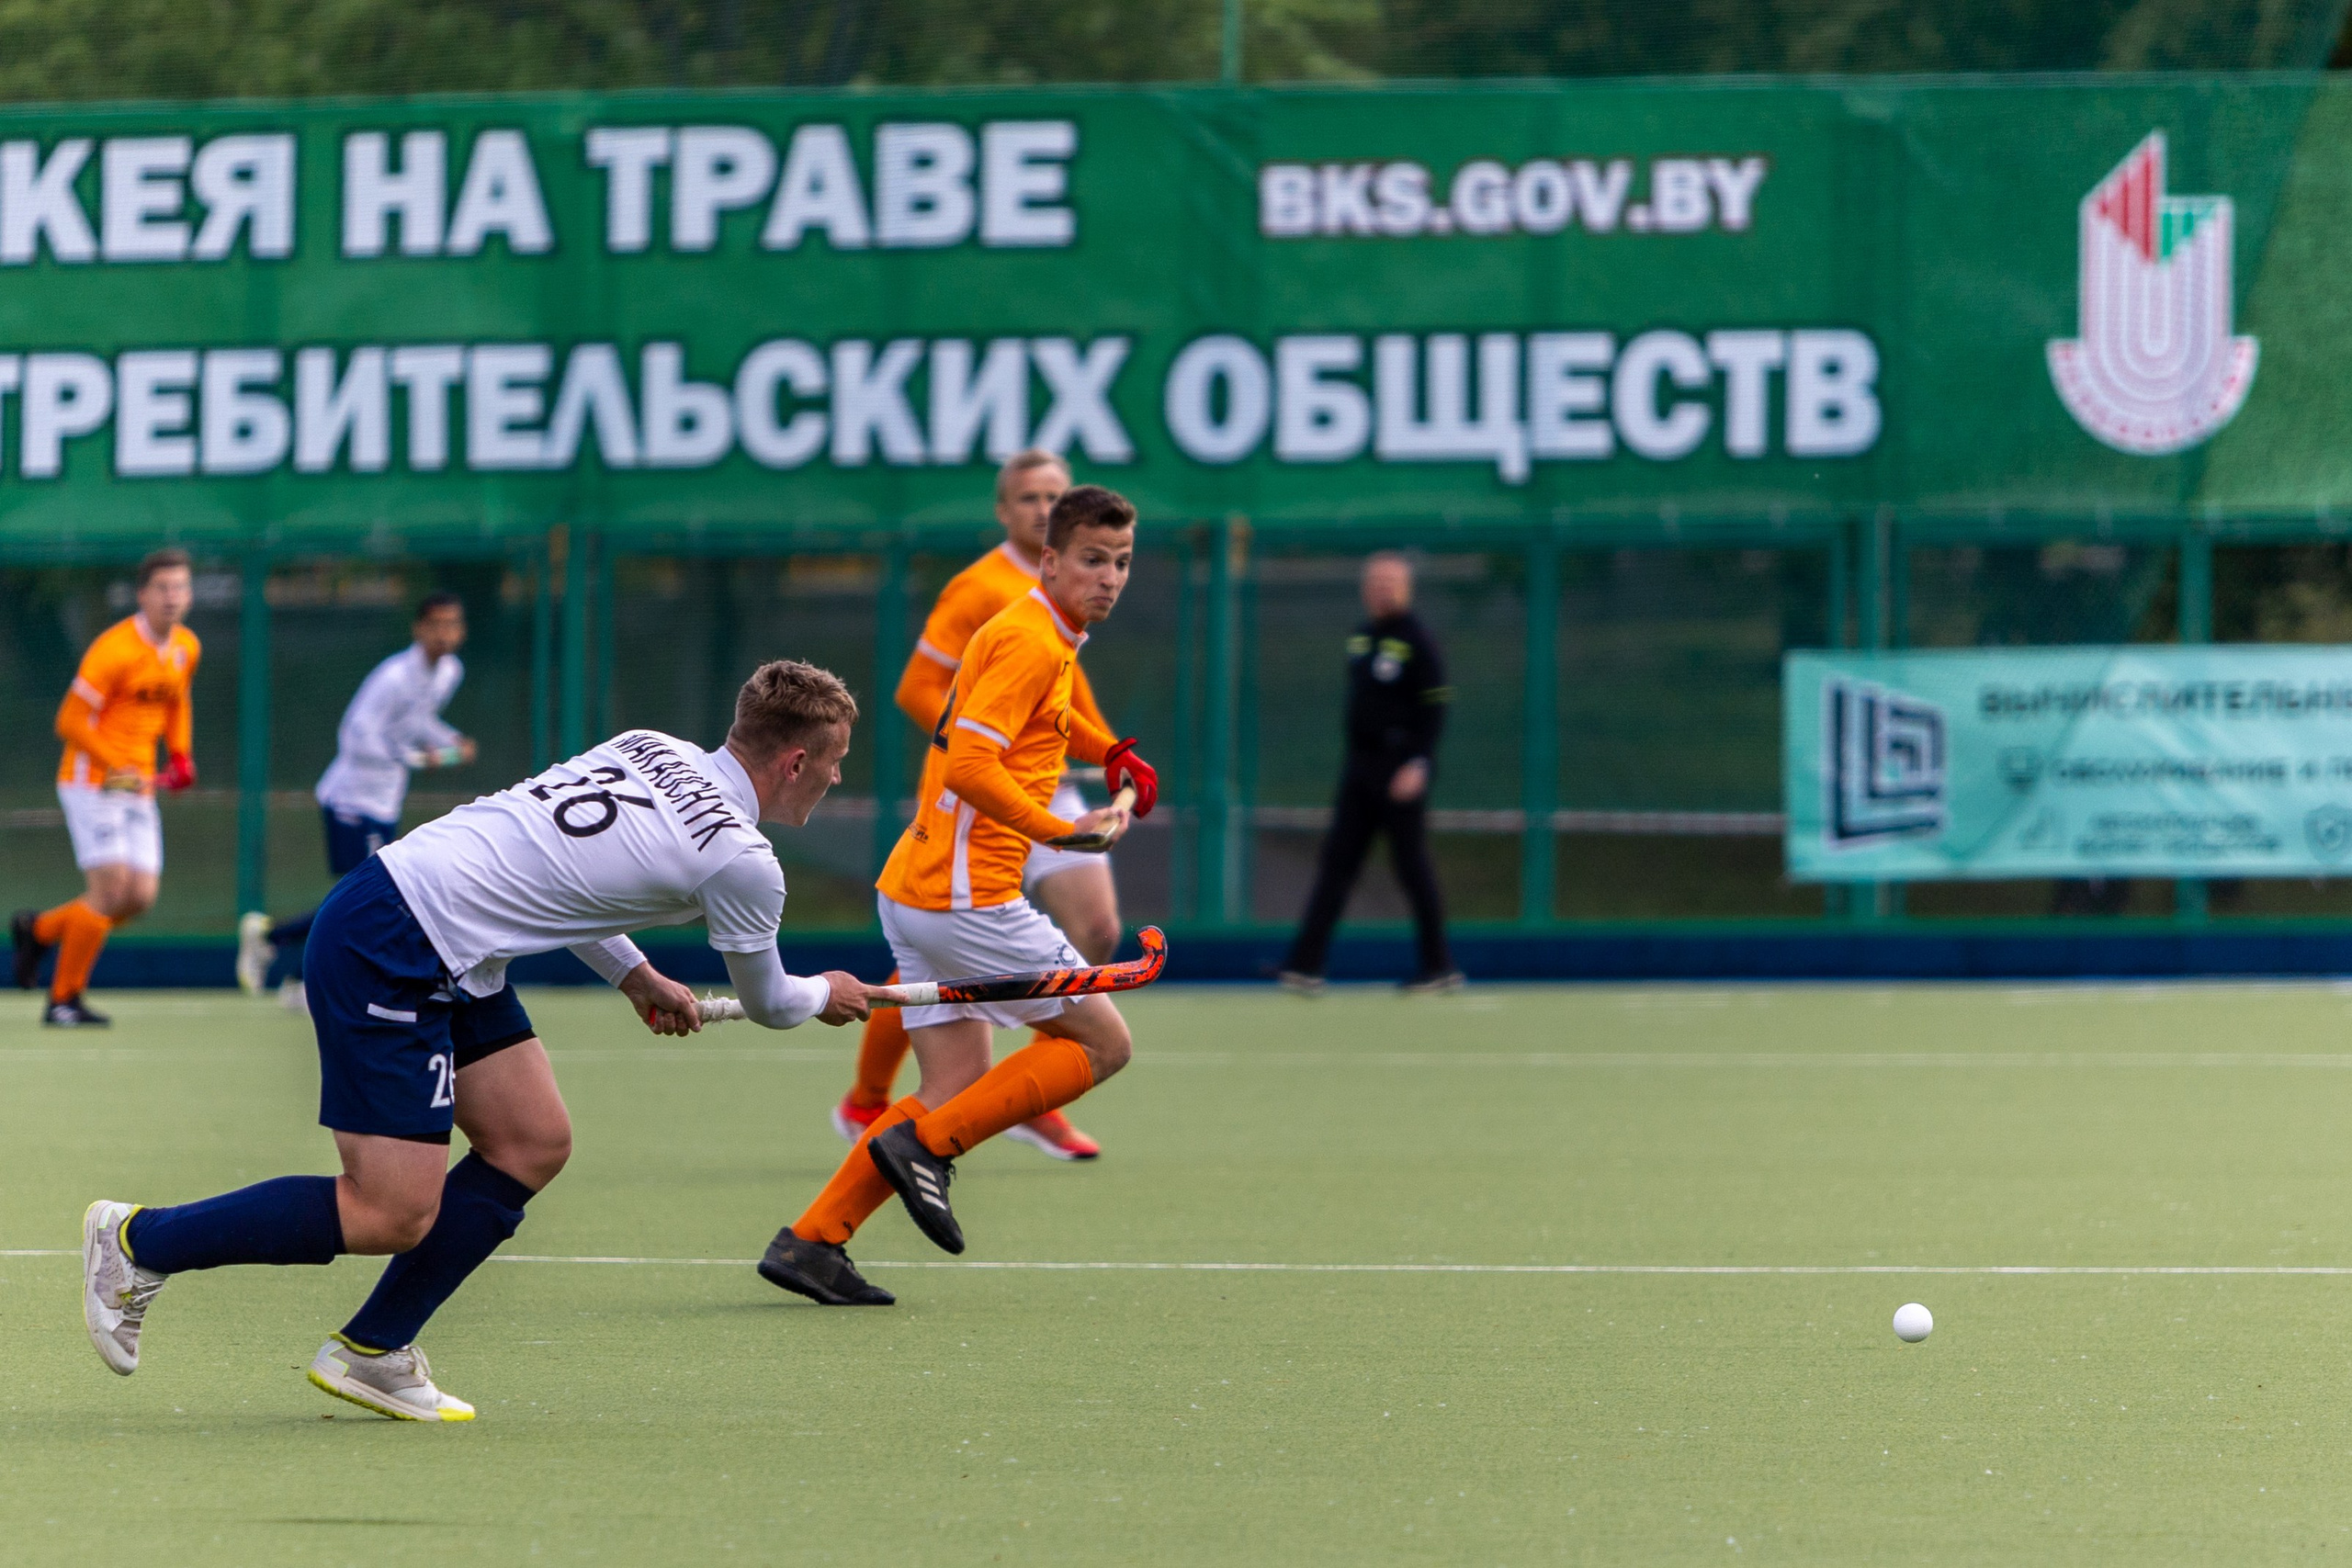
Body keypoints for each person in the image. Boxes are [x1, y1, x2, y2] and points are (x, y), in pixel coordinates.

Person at [80, 660, 877, 1421]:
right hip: (394, 942)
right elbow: (770, 1000)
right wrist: (826, 992)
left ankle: (374, 1348)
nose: (838, 778)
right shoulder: (743, 858)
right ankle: (138, 1240)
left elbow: (568, 879)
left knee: (531, 1139)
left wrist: (633, 973)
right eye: (836, 762)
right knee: (391, 1209)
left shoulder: (651, 746)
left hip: (437, 928)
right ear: (797, 760)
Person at [758, 485, 1159, 1309]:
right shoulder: (1029, 640)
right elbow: (975, 769)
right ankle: (928, 1148)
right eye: (1091, 559)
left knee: (952, 1080)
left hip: (918, 889)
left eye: (1120, 562)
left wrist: (1111, 750)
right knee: (1103, 1043)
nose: (1109, 577)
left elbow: (1040, 724)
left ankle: (812, 1242)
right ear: (1049, 560)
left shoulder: (1041, 631)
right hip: (967, 898)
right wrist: (1063, 831)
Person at [831, 448, 1126, 1162]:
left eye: (1054, 494)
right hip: (981, 788)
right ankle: (869, 1098)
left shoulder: (1072, 594)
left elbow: (1063, 697)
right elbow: (916, 690)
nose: (1041, 506)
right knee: (933, 955)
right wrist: (972, 744)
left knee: (1098, 930)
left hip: (1044, 775)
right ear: (1006, 512)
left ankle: (1036, 1086)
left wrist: (1115, 753)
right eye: (1028, 497)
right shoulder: (982, 589)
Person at [236, 592, 477, 1007]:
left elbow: (416, 721)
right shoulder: (394, 676)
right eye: (435, 624)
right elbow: (354, 735)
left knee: (366, 897)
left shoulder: (448, 672)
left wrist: (450, 741)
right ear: (418, 629)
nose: (444, 633)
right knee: (372, 897)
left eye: (452, 624)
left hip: (384, 801)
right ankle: (296, 969)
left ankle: (278, 948)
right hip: (350, 798)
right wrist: (417, 758)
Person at [12, 549, 200, 1028]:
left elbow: (177, 702)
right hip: (91, 782)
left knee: (139, 897)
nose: (172, 598)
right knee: (111, 889)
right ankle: (63, 999)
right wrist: (116, 762)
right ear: (142, 595)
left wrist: (180, 755)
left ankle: (40, 930)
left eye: (180, 588)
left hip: (136, 785)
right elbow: (69, 720)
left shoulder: (185, 647)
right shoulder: (114, 650)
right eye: (162, 588)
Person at [1278, 552, 1463, 994]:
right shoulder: (1362, 638)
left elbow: (1435, 708)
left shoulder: (1418, 640)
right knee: (1336, 865)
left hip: (1400, 774)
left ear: (1407, 587)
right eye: (1374, 581)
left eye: (1390, 581)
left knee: (1412, 868)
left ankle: (1440, 966)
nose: (1381, 589)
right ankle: (1305, 965)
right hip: (1360, 772)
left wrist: (1420, 763)